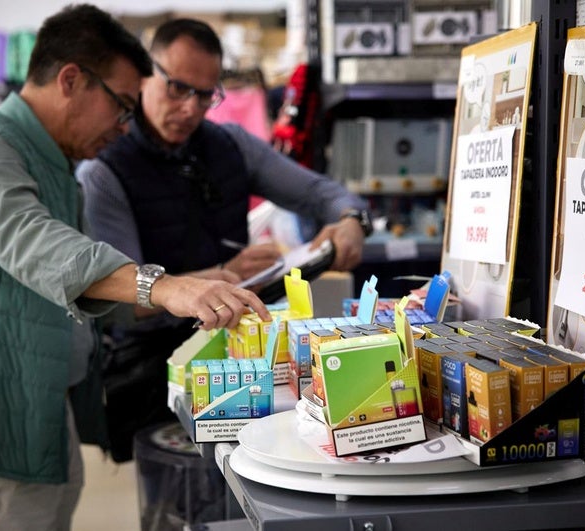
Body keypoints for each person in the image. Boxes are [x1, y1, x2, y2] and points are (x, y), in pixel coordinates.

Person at [0, 6, 269, 530]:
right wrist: (162, 286)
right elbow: (36, 244)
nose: (126, 126)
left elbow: (75, 295)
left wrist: (189, 292)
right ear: (71, 80)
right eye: (123, 106)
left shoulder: (55, 165)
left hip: (34, 406)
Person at [76, 18, 373, 462]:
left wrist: (351, 218)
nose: (192, 108)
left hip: (241, 359)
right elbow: (120, 301)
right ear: (144, 73)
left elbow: (319, 192)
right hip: (154, 372)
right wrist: (217, 279)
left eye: (205, 94)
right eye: (177, 88)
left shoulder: (230, 144)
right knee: (175, 495)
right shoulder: (103, 170)